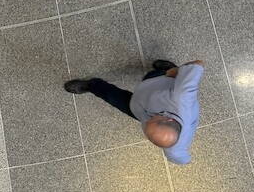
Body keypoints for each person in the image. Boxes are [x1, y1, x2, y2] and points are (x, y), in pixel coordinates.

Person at [64, 58, 204, 165]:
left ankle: (92, 85)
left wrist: (145, 117)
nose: (146, 121)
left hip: (137, 107)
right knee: (152, 75)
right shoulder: (183, 96)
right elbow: (198, 64)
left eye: (147, 123)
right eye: (151, 120)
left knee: (112, 97)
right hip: (158, 84)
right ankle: (169, 69)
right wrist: (173, 73)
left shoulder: (175, 150)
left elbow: (183, 160)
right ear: (168, 119)